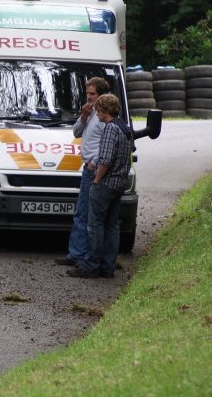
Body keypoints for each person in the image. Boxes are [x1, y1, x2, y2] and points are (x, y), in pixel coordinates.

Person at [67, 94, 133, 279]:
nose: (97, 114)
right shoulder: (124, 128)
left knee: (94, 225)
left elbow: (105, 159)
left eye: (98, 110)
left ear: (104, 110)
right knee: (112, 226)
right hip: (119, 183)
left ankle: (90, 266)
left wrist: (96, 180)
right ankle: (108, 266)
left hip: (105, 183)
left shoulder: (110, 128)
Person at [56, 76, 110, 267]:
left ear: (102, 95)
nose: (88, 97)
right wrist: (83, 116)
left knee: (87, 214)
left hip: (94, 168)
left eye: (92, 94)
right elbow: (76, 133)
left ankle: (81, 256)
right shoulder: (90, 112)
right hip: (87, 167)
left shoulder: (105, 115)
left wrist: (93, 163)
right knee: (81, 213)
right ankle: (76, 254)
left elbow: (108, 143)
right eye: (87, 93)